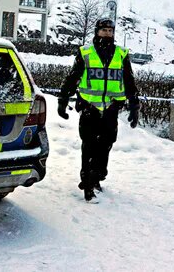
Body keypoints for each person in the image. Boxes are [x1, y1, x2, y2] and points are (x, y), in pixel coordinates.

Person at [57, 18, 140, 203]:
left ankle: (96, 177)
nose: (108, 34)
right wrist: (63, 100)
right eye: (104, 30)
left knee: (106, 146)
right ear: (97, 31)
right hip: (89, 108)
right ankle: (87, 183)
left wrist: (134, 106)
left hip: (111, 109)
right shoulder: (85, 52)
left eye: (110, 31)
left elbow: (129, 82)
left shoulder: (121, 54)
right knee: (88, 146)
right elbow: (73, 78)